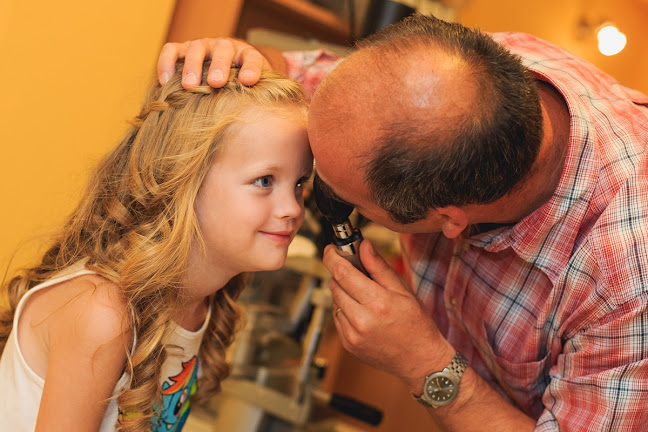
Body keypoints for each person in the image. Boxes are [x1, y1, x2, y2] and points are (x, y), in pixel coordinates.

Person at [157, 13, 648, 432]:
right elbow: (304, 81)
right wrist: (239, 60)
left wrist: (425, 363)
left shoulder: (627, 283)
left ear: (449, 220)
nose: (296, 208)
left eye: (342, 198)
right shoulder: (464, 70)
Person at [0, 62, 313, 431]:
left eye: (299, 183)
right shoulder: (102, 313)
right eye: (264, 180)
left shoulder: (202, 301)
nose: (293, 208)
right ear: (183, 180)